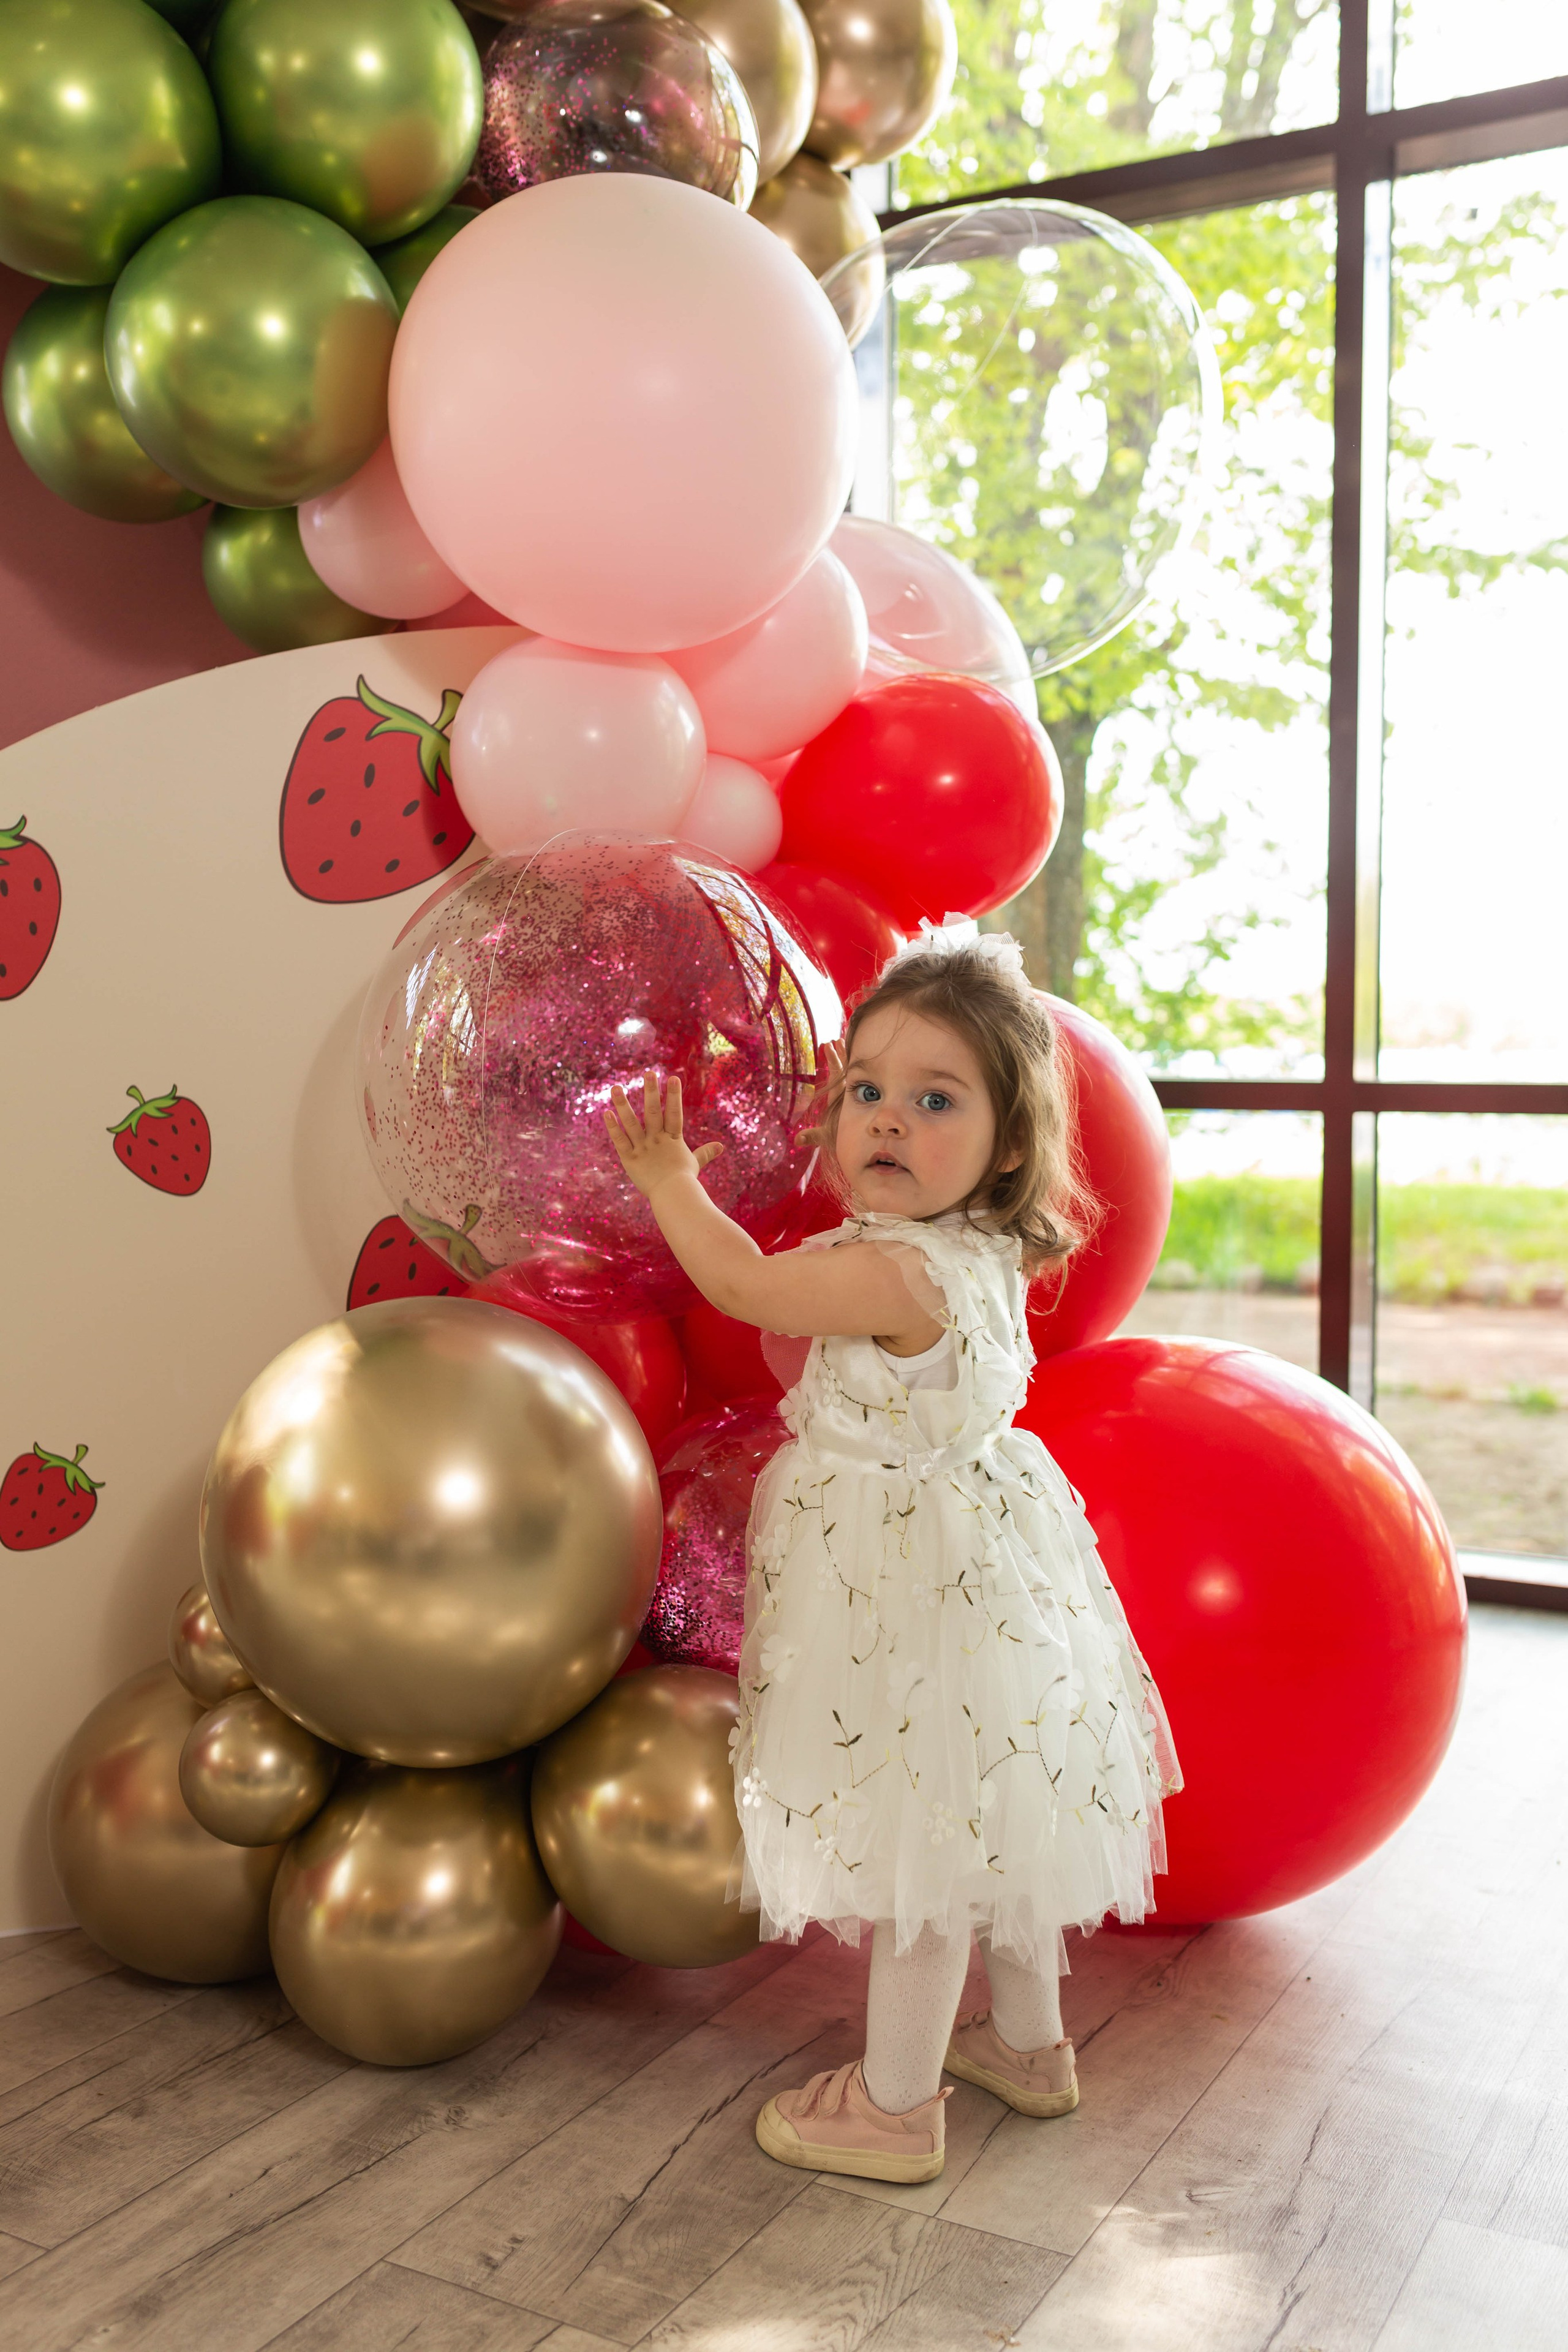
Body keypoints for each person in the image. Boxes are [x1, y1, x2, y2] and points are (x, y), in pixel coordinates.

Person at [603, 914, 1179, 2187]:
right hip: (977, 1567)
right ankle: (1027, 2047)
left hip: (897, 1584)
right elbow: (803, 1340)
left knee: (919, 1839)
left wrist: (668, 1185)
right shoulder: (968, 1253)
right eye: (866, 1091)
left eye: (933, 1100)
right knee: (1000, 1823)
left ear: (1005, 1141)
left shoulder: (893, 1270)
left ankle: (892, 2105)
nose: (886, 1121)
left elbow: (750, 1296)